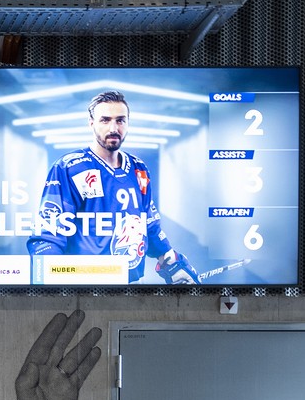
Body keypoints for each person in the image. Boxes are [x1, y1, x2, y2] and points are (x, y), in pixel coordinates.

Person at [27, 90, 198, 285]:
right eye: (105, 120)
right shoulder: (69, 168)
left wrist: (170, 260)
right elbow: (49, 232)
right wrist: (50, 282)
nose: (113, 127)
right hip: (84, 286)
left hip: (131, 282)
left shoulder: (138, 169)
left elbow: (148, 223)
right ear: (91, 123)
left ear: (127, 123)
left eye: (120, 120)